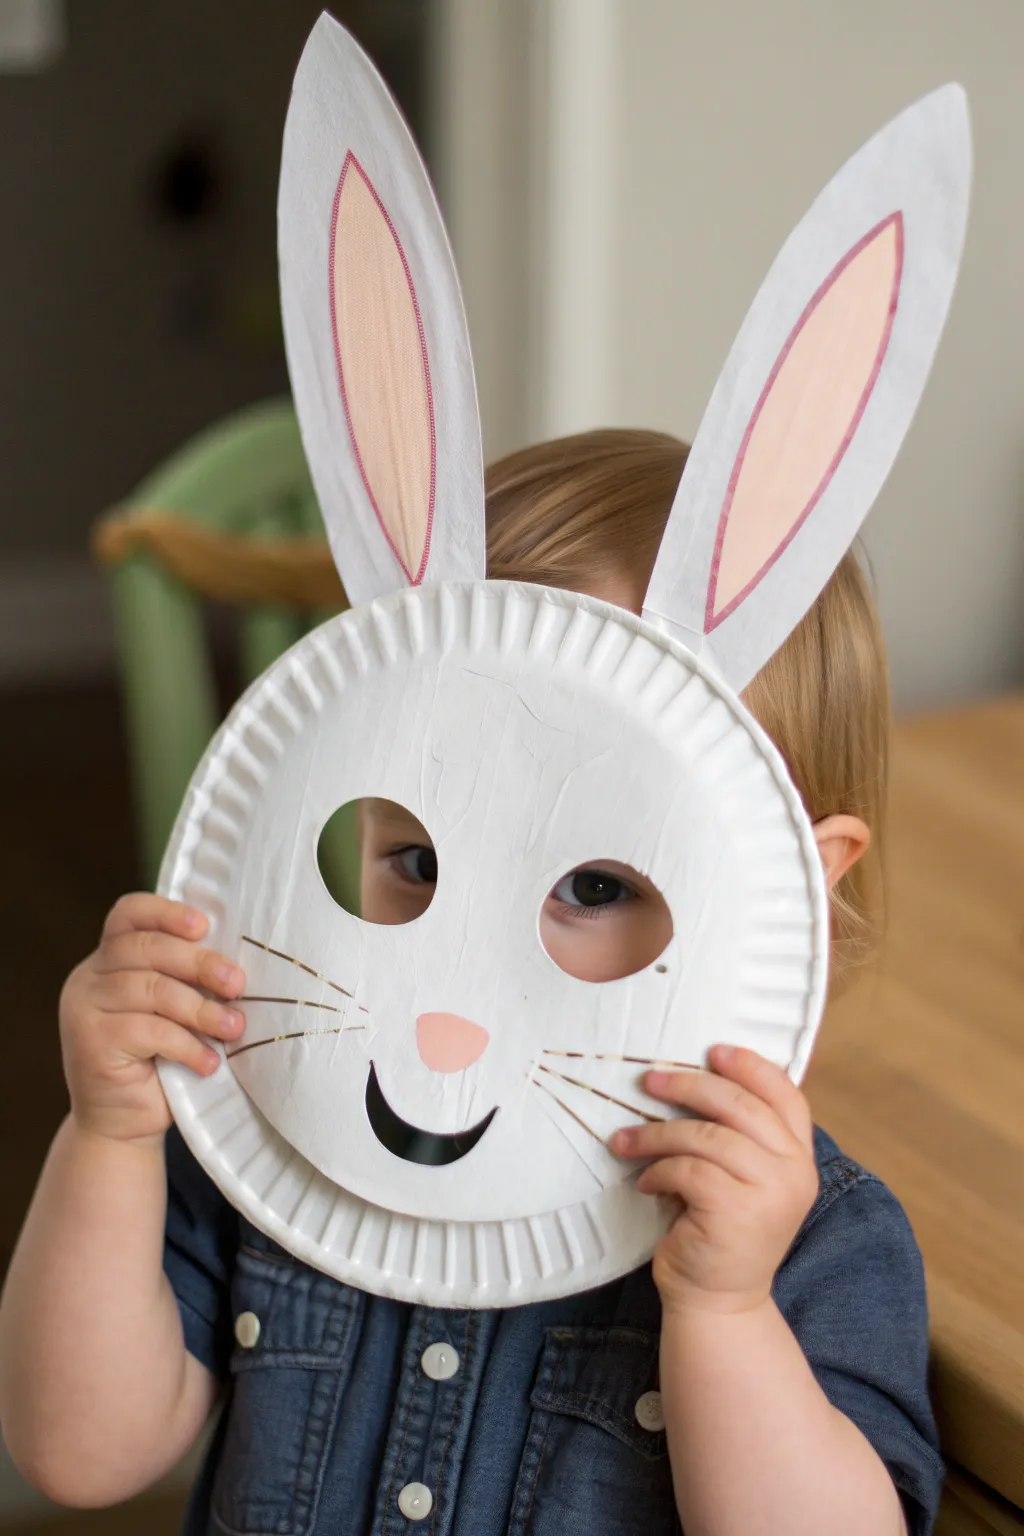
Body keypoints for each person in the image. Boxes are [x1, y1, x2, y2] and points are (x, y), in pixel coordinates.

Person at [0, 430, 942, 1535]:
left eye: (595, 884)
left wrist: (724, 1314)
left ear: (790, 900)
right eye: (418, 861)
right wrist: (107, 1139)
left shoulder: (812, 1242)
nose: (459, 991)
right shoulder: (272, 1130)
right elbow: (79, 1453)